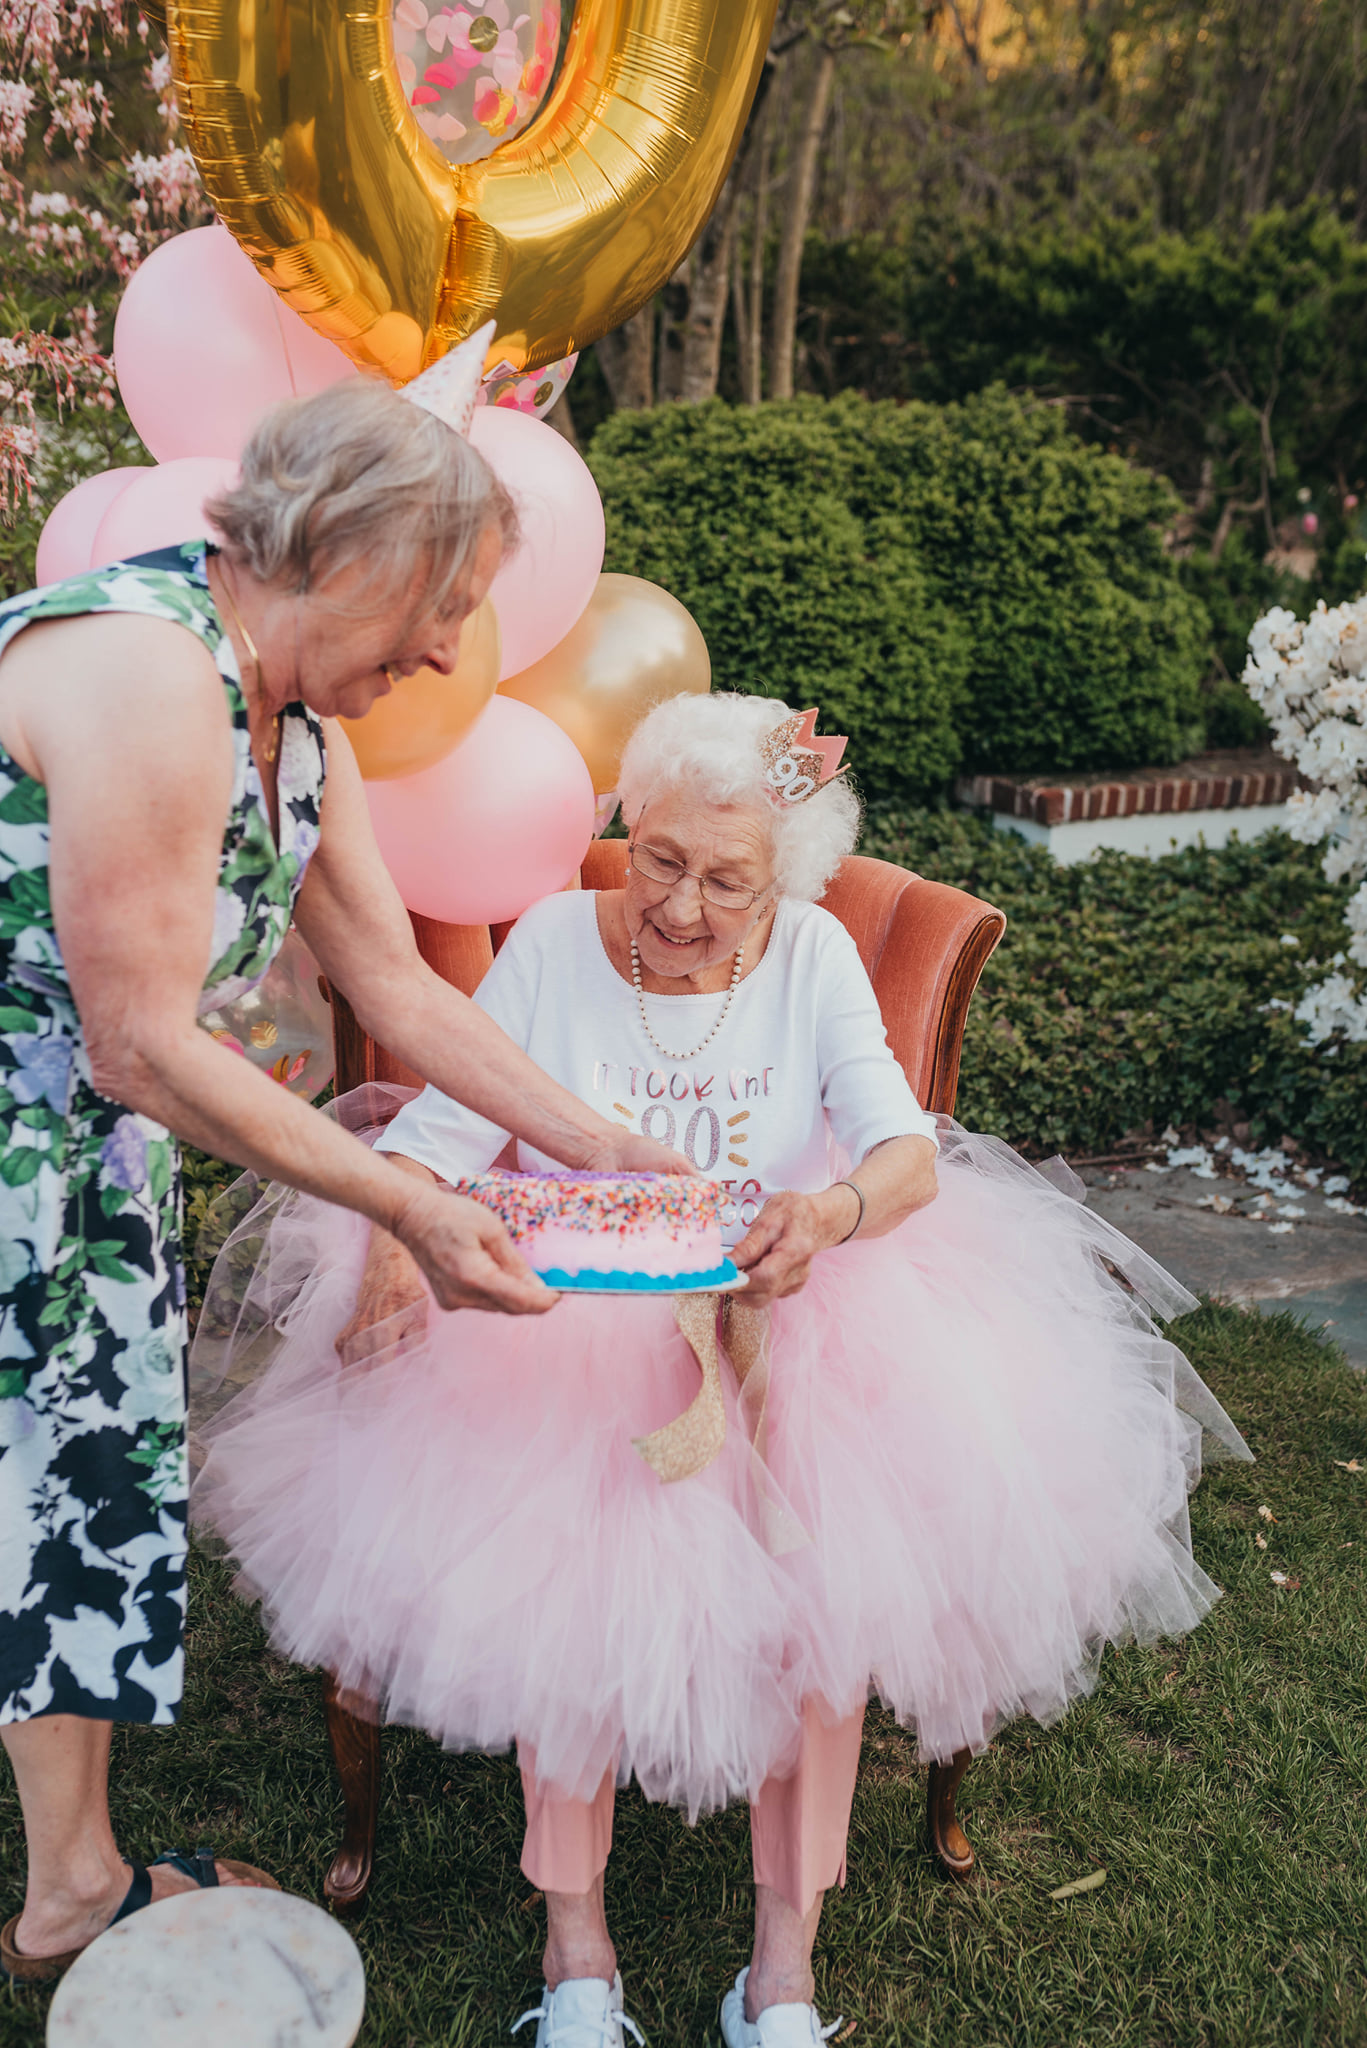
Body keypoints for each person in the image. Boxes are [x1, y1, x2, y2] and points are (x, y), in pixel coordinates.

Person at [191, 692, 1251, 2048]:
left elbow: (902, 1151)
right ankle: (578, 1958)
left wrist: (829, 1215)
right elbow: (446, 1132)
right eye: (661, 858)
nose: (681, 904)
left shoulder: (811, 956)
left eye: (727, 878)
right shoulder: (558, 946)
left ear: (787, 881)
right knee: (554, 1607)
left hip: (793, 1322)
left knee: (827, 1621)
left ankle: (783, 1967)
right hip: (558, 1342)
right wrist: (396, 1242)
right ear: (625, 831)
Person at [0, 349, 684, 1981]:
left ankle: (70, 1884)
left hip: (74, 1168)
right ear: (358, 559)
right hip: (48, 1133)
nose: (453, 650)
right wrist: (415, 1205)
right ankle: (75, 1886)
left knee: (76, 1493)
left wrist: (599, 1143)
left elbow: (393, 987)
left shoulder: (293, 722)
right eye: (443, 605)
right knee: (39, 1489)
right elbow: (143, 1045)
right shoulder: (147, 677)